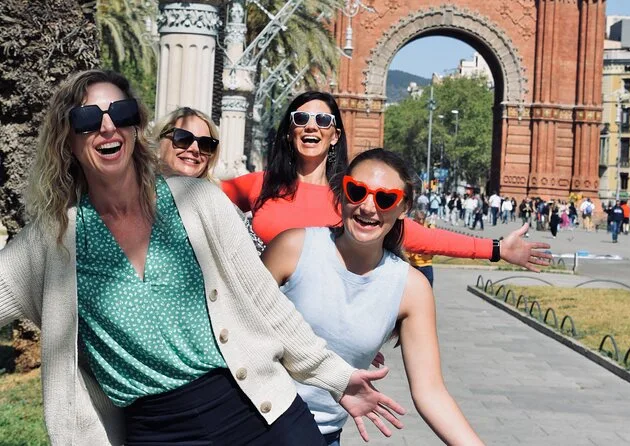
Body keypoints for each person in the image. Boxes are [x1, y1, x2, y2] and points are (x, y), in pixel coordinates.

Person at [0, 70, 405, 445]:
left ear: (135, 126)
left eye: (120, 113)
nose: (108, 127)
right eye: (88, 119)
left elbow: (266, 303)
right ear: (67, 138)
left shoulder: (198, 200)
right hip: (158, 432)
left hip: (259, 412)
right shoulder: (52, 240)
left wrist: (335, 376)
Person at [261, 148, 485, 446]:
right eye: (356, 192)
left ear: (404, 207)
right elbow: (235, 327)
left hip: (320, 435)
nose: (368, 207)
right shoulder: (294, 247)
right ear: (342, 194)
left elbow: (430, 391)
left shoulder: (411, 288)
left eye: (385, 198)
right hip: (247, 423)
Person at [221, 91, 551, 271]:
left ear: (335, 135)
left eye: (322, 119)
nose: (311, 126)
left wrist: (496, 249)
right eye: (301, 118)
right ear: (289, 131)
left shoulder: (353, 196)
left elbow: (418, 236)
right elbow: (198, 196)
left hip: (319, 341)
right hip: (255, 328)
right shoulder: (258, 184)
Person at [153, 106, 265, 253]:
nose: (195, 149)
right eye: (182, 138)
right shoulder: (131, 193)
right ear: (159, 141)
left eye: (206, 144)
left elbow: (255, 257)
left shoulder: (220, 206)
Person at [406, 210, 435, 287]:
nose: (421, 221)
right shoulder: (410, 227)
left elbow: (435, 242)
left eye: (423, 219)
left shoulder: (429, 228)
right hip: (414, 264)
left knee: (428, 286)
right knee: (414, 288)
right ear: (415, 218)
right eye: (419, 219)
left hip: (427, 263)